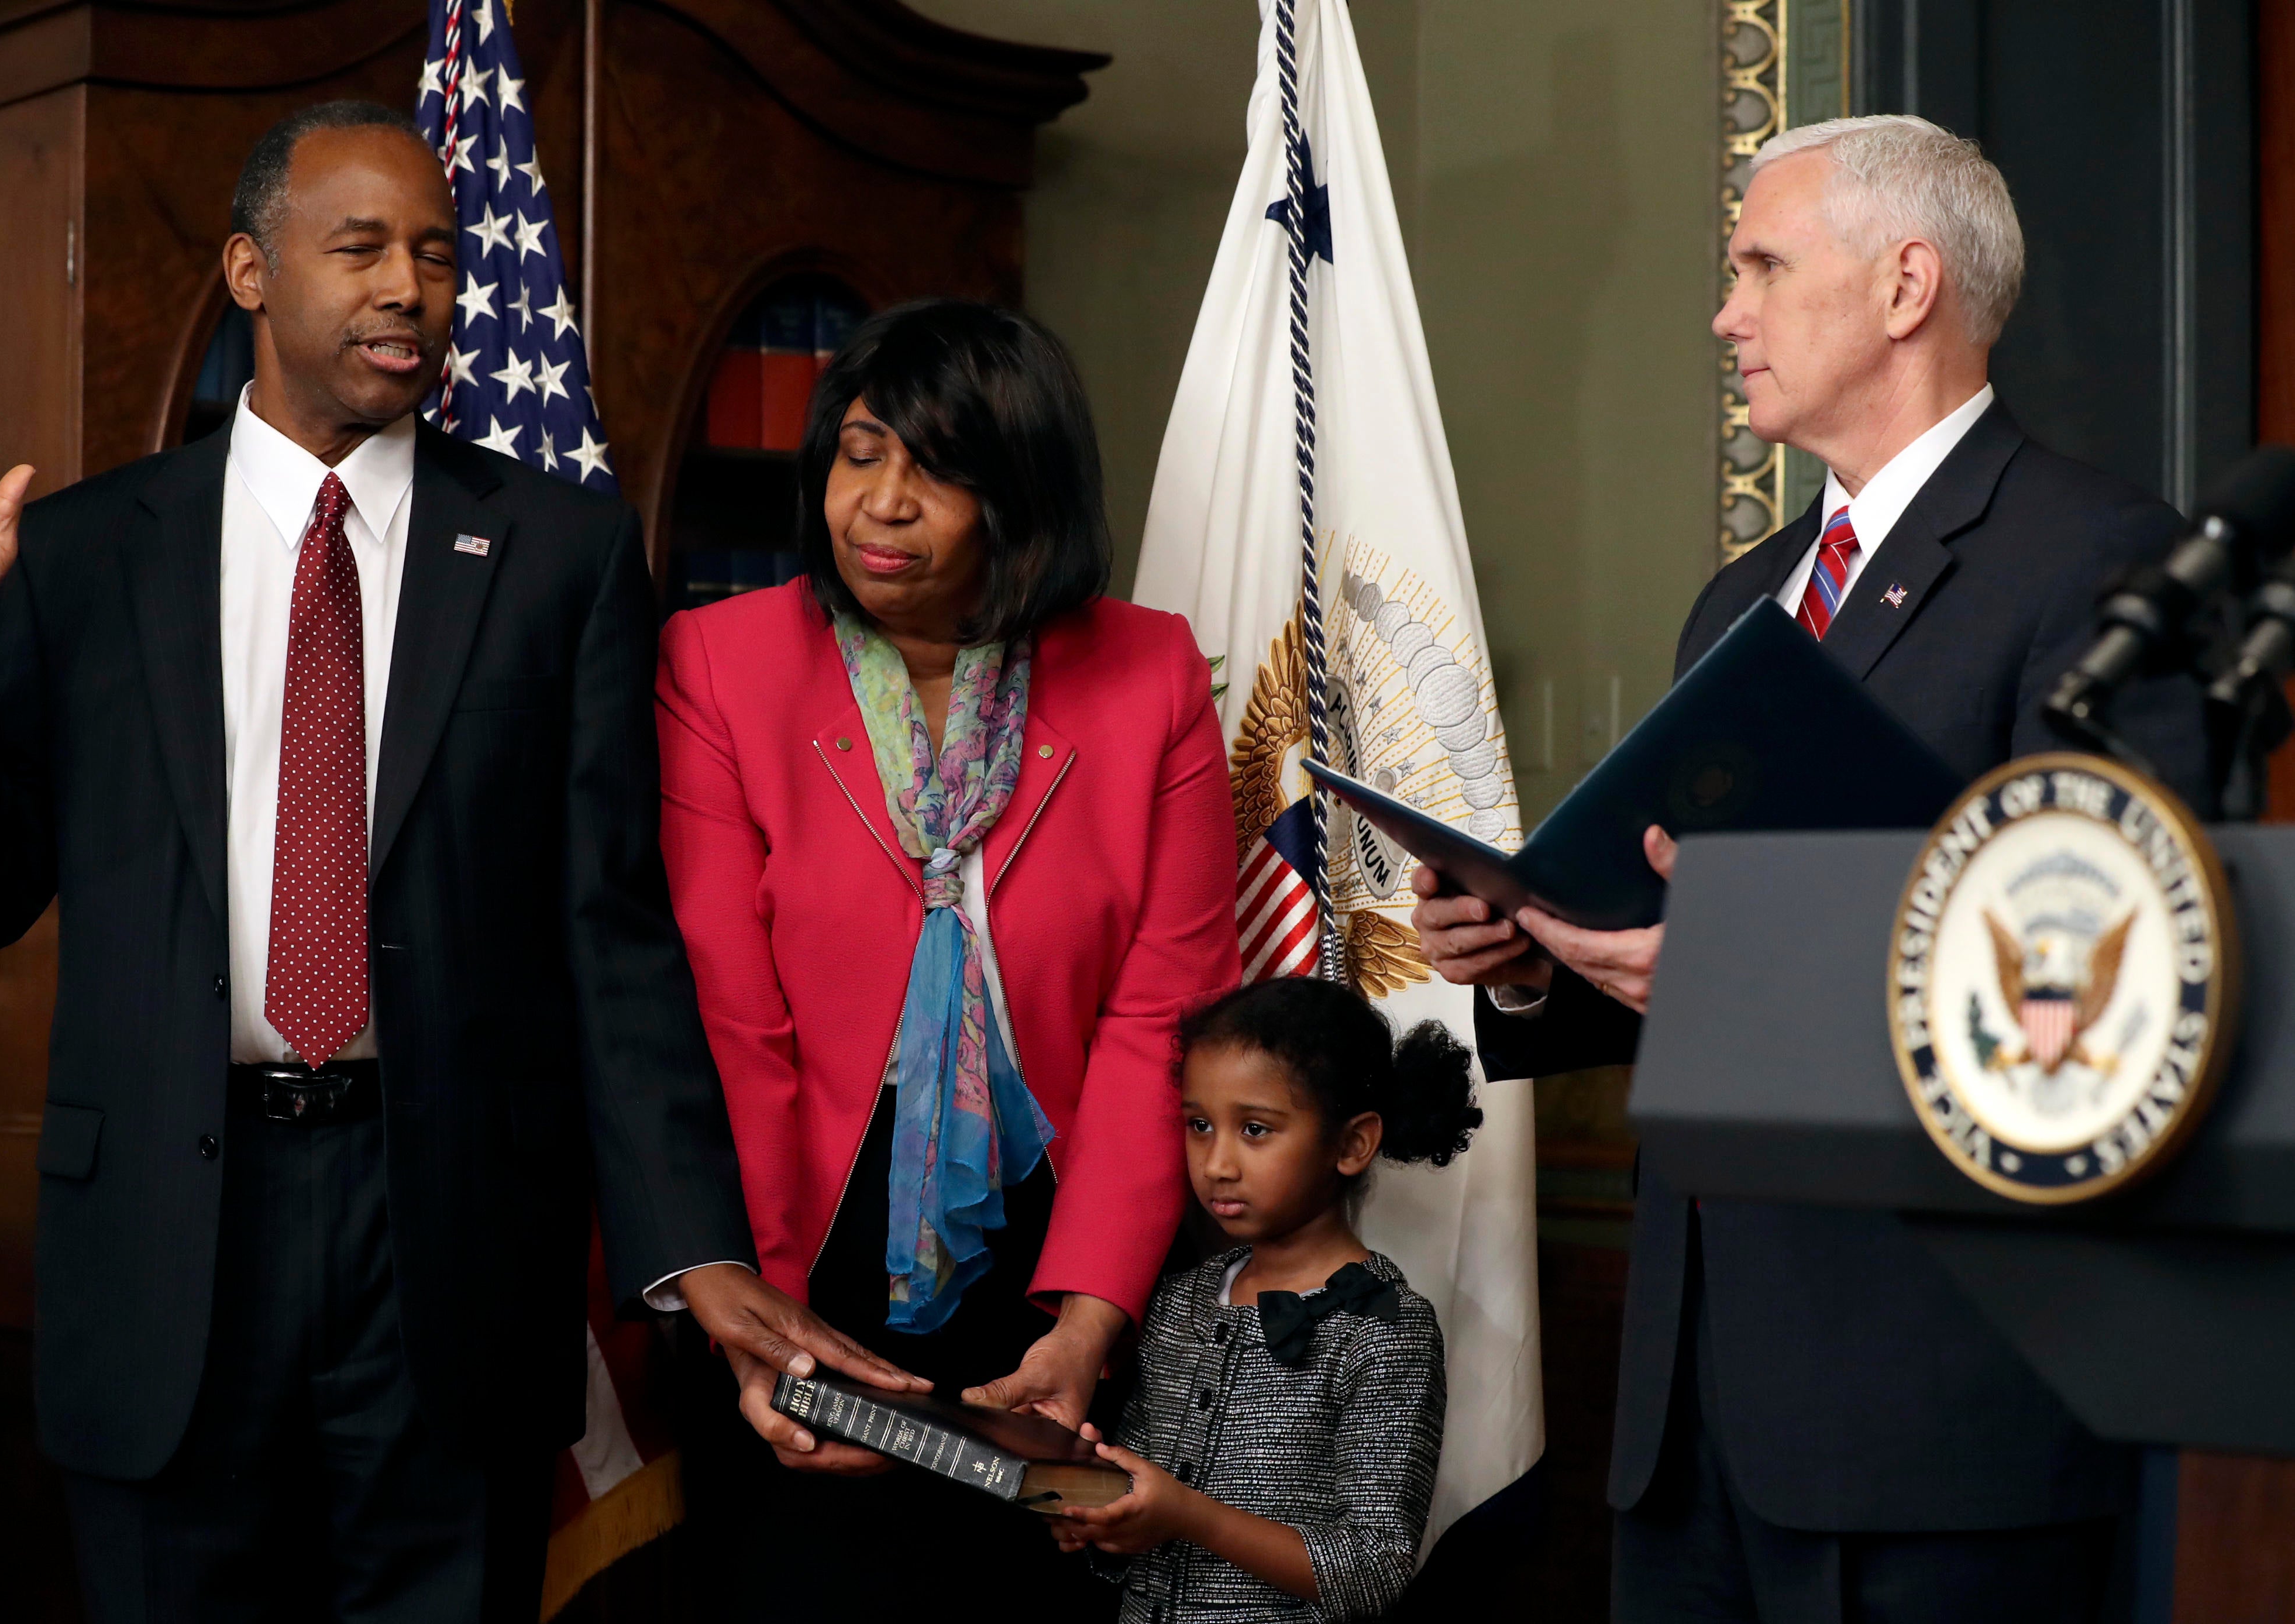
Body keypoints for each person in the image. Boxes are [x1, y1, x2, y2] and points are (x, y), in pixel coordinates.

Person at [0, 101, 911, 1619]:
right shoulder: (89, 556)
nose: (408, 287)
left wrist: (691, 1250)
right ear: (249, 269)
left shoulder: (558, 550)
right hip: (166, 1236)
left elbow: (607, 933)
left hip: (449, 1250)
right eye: (358, 248)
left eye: (435, 252)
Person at [1415, 115, 2209, 1622]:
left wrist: (1757, 963)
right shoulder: (1742, 598)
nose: (1724, 311)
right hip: (1688, 1410)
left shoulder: (2096, 563)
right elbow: (1682, 937)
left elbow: (2105, 982)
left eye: (1761, 266)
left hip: (1931, 1406)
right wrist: (1539, 954)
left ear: (1905, 286)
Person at [655, 297, 1241, 1616]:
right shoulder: (721, 663)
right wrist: (765, 1317)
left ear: (1022, 494)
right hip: (793, 1243)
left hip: (1066, 1261)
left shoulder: (1145, 674)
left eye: (939, 467)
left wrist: (1090, 1316)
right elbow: (730, 1014)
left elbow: (1164, 1016)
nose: (883, 502)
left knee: (1035, 1599)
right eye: (860, 451)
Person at [1051, 976, 1468, 1622]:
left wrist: (1190, 1517)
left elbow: (1375, 1566)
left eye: (1254, 1128)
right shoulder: (1182, 1300)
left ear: (1352, 1143)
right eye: (1198, 1125)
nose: (1217, 1162)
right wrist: (1106, 1521)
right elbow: (1141, 1489)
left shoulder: (1387, 1329)